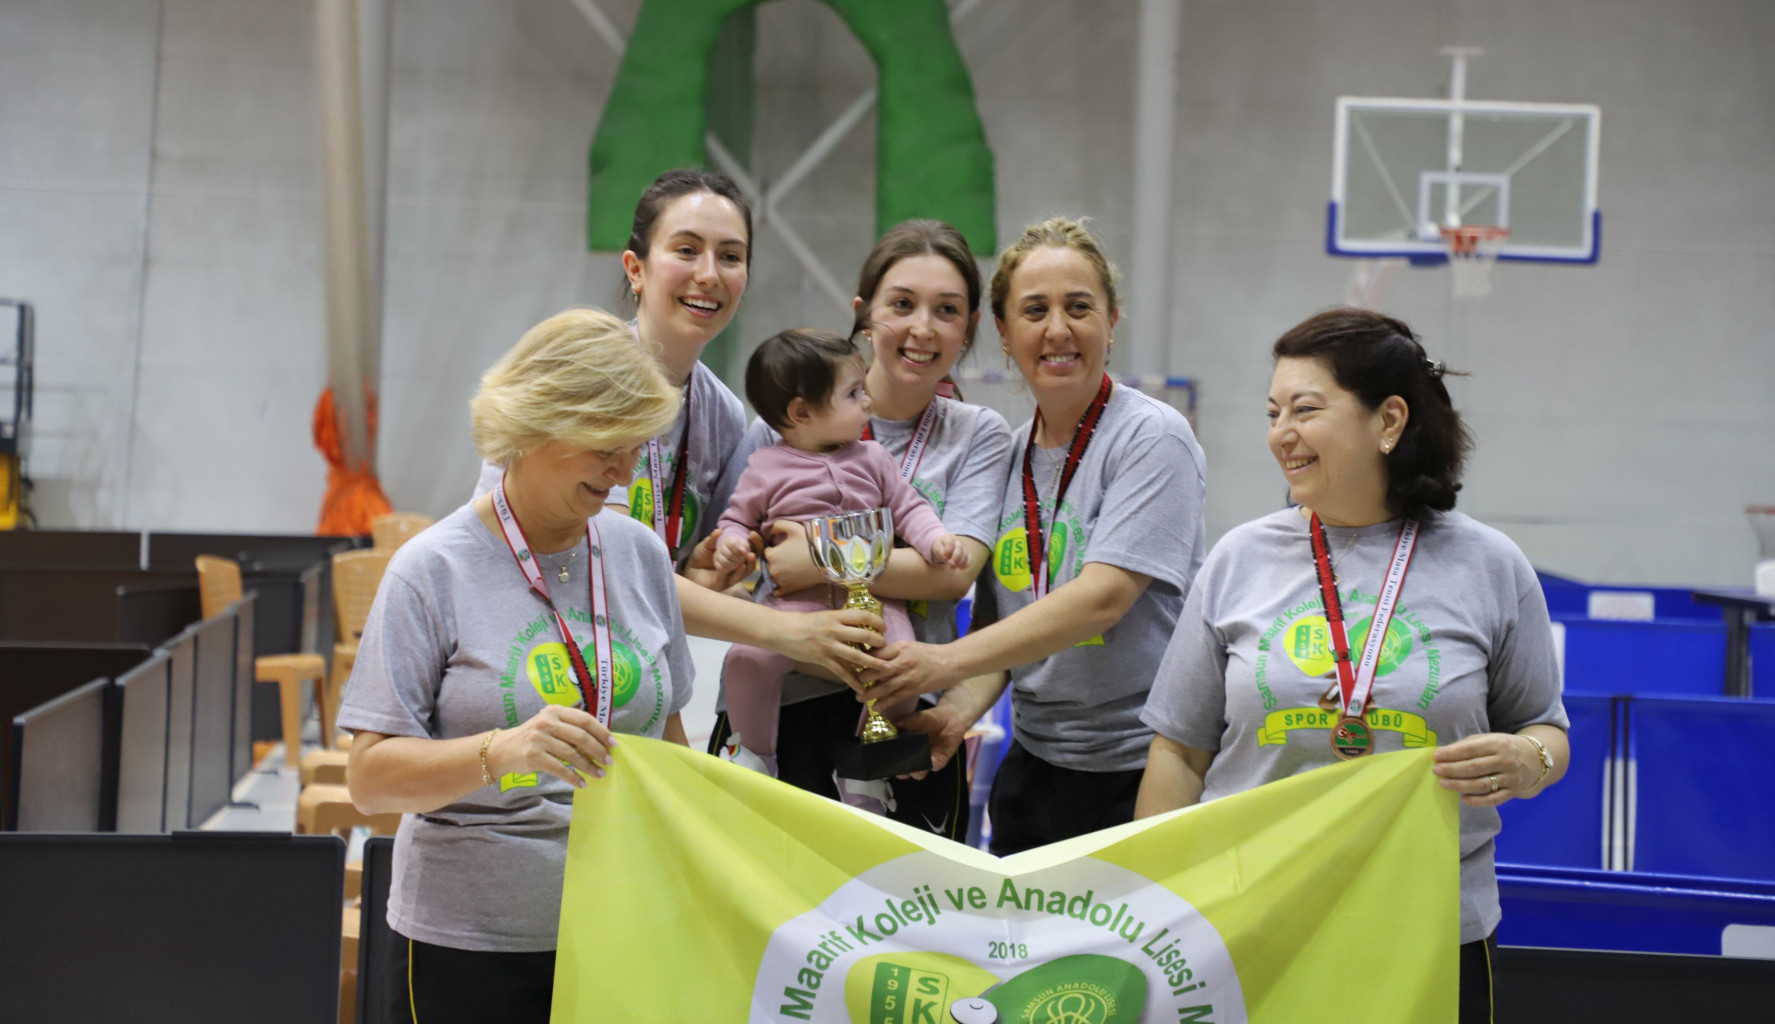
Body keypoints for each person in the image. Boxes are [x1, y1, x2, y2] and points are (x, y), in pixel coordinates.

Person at [1135, 307, 1570, 1023]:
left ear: (1388, 420)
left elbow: (1544, 729)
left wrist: (1530, 761)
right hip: (1251, 924)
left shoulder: (1489, 565)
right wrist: (1158, 904)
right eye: (1273, 412)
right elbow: (1178, 750)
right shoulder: (1237, 559)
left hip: (1429, 933)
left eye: (1305, 409)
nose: (1281, 432)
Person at [341, 308, 691, 1022]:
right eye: (606, 445)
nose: (622, 471)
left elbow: (672, 743)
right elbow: (369, 780)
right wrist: (499, 752)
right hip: (472, 944)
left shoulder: (640, 555)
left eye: (636, 447)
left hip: (623, 925)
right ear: (535, 424)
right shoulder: (432, 570)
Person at [861, 217, 1208, 855]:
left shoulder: (1152, 437)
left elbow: (1103, 598)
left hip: (1143, 767)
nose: (1057, 329)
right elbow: (999, 632)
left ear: (1111, 321)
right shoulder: (1011, 453)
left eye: (1079, 307)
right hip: (1034, 769)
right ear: (1002, 332)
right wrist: (954, 712)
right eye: (1035, 310)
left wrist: (941, 662)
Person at [472, 169, 888, 683]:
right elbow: (609, 563)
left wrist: (703, 571)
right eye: (687, 250)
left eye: (730, 256)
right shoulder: (585, 375)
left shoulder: (722, 413)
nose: (709, 274)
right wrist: (786, 631)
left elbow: (672, 577)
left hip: (629, 673)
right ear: (636, 268)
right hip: (516, 655)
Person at [707, 219, 1014, 839]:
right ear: (864, 315)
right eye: (902, 304)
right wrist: (738, 556)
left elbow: (949, 577)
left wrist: (817, 556)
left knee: (895, 902)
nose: (922, 327)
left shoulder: (979, 433)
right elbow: (734, 561)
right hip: (784, 704)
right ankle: (752, 749)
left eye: (946, 310)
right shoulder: (779, 426)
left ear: (969, 327)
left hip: (900, 716)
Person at [712, 329, 970, 776]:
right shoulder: (765, 466)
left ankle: (870, 761)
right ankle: (753, 753)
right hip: (794, 607)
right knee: (746, 659)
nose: (867, 401)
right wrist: (731, 542)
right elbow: (737, 519)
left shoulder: (874, 458)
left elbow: (909, 507)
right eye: (853, 393)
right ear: (802, 412)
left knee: (904, 665)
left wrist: (935, 540)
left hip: (876, 609)